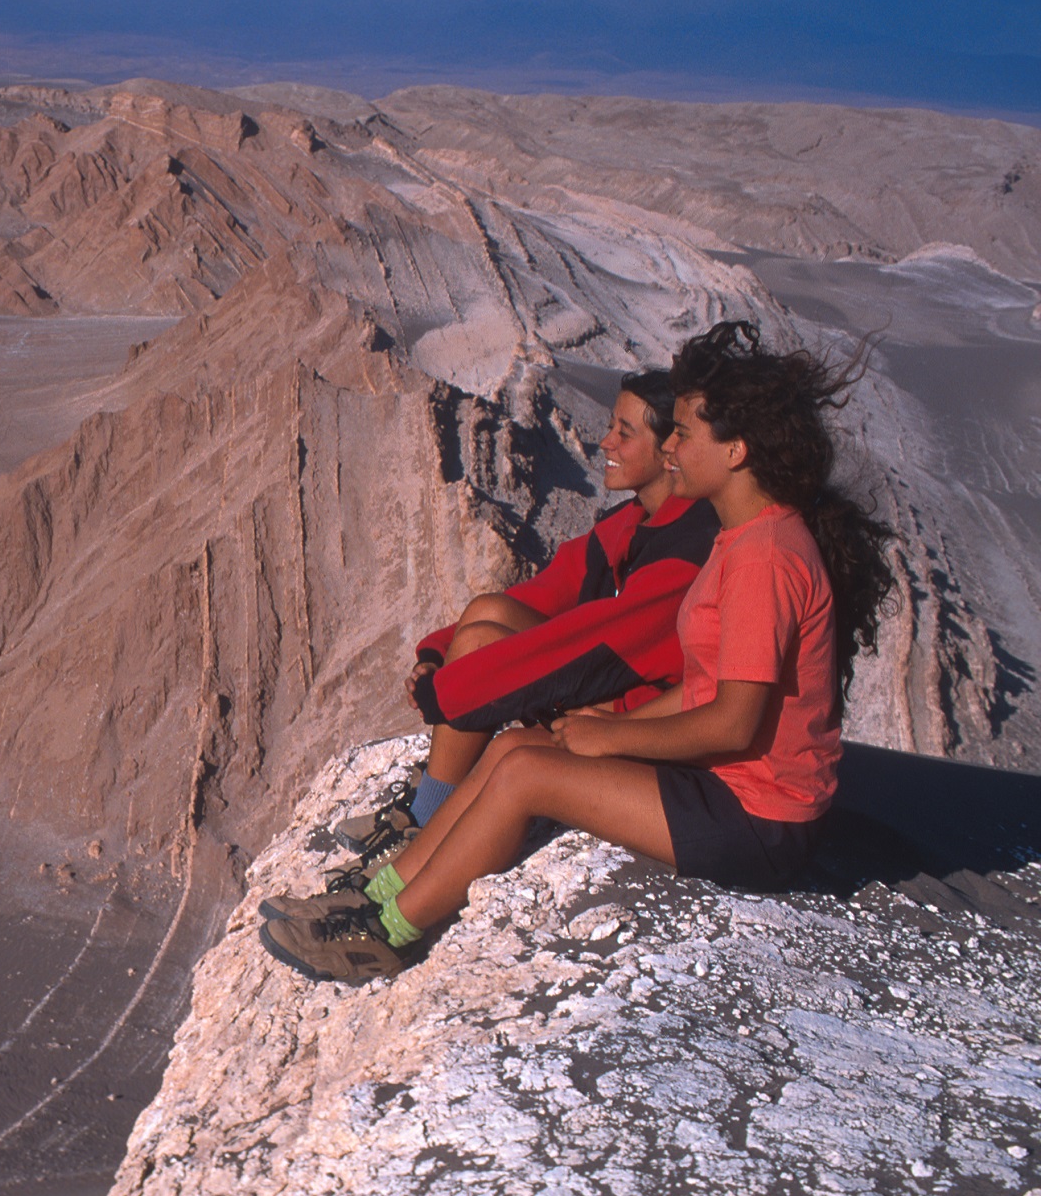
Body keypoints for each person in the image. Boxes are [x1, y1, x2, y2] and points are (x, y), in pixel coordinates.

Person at [262, 321, 894, 981]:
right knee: (514, 747)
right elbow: (707, 685)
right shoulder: (743, 539)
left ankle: (386, 934)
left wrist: (613, 740)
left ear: (736, 450)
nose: (672, 447)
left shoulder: (764, 557)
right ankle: (377, 893)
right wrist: (611, 729)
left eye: (683, 432)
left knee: (527, 775)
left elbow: (735, 721)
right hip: (724, 785)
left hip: (758, 818)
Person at [290, 371, 719, 911]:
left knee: (479, 651)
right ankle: (429, 810)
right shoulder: (637, 521)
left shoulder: (686, 545)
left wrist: (457, 689)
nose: (604, 442)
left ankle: (428, 820)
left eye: (625, 432)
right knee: (487, 613)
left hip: (642, 718)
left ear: (668, 451)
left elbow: (593, 648)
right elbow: (548, 592)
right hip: (622, 687)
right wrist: (437, 653)